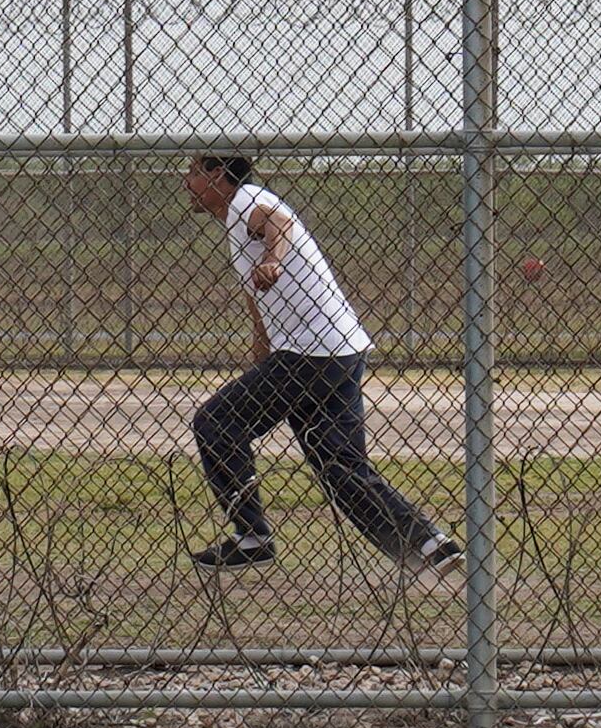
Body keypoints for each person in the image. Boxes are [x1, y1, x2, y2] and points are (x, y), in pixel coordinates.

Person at [179, 153, 460, 577]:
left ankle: (252, 537)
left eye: (194, 172)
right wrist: (262, 347)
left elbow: (278, 223)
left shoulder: (246, 200)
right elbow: (259, 298)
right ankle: (426, 545)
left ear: (218, 175)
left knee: (217, 422)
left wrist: (273, 257)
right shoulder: (235, 223)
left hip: (308, 353)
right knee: (339, 465)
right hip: (336, 349)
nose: (187, 182)